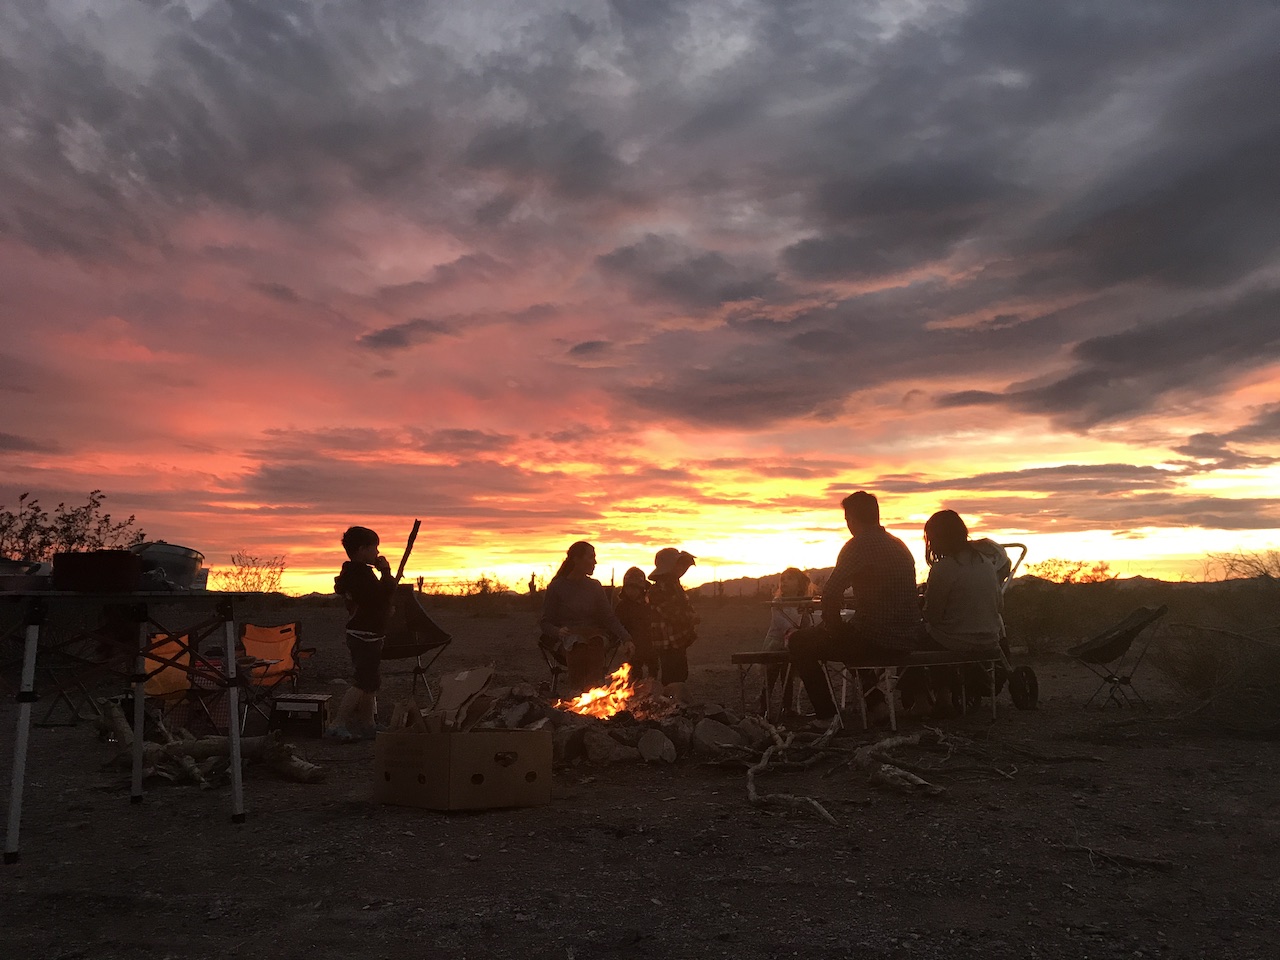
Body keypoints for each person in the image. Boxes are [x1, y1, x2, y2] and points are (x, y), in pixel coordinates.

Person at [787, 491, 922, 725]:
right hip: (907, 638)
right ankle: (876, 703)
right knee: (852, 635)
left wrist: (832, 627)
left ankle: (827, 715)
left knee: (800, 642)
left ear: (851, 518)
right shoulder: (899, 546)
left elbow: (831, 593)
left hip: (875, 640)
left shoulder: (858, 546)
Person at [327, 525, 397, 742]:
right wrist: (386, 573)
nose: (377, 552)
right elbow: (381, 597)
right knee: (363, 681)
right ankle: (337, 724)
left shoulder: (354, 573)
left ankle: (368, 725)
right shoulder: (361, 576)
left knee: (370, 682)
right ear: (362, 550)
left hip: (368, 633)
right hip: (364, 634)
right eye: (374, 547)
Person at [539, 541, 632, 691]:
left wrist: (626, 638)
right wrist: (557, 631)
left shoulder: (594, 586)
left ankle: (594, 693)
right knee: (578, 646)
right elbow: (545, 623)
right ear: (576, 559)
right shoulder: (557, 587)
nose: (595, 562)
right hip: (568, 638)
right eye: (591, 557)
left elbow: (609, 617)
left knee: (595, 643)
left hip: (594, 636)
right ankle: (578, 693)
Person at [761, 567, 819, 714]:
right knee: (771, 675)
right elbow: (780, 622)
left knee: (787, 675)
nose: (784, 582)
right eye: (783, 579)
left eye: (790, 578)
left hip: (793, 644)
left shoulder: (803, 603)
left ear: (799, 584)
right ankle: (764, 705)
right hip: (776, 643)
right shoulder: (777, 602)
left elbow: (807, 622)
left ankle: (787, 707)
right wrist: (792, 632)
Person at [648, 547, 699, 703]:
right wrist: (691, 617)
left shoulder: (675, 586)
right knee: (671, 675)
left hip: (676, 640)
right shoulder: (657, 590)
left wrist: (690, 616)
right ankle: (670, 704)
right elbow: (671, 613)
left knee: (681, 673)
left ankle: (675, 703)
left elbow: (683, 607)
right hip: (667, 642)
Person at [613, 566, 660, 680]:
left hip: (651, 643)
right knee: (634, 669)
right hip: (633, 644)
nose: (631, 592)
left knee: (653, 667)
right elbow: (617, 624)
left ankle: (651, 683)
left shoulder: (649, 603)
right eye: (629, 588)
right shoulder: (622, 606)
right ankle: (635, 685)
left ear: (642, 589)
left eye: (635, 588)